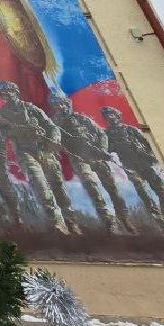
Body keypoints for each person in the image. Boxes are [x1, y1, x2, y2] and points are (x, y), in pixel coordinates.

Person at [0, 81, 81, 235]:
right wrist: (16, 133)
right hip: (25, 152)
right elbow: (2, 136)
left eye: (9, 91)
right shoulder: (3, 115)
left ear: (15, 92)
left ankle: (71, 221)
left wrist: (53, 141)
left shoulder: (31, 109)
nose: (6, 95)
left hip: (44, 149)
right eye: (3, 93)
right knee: (40, 185)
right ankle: (57, 223)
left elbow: (51, 127)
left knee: (57, 186)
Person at [49, 95, 131, 234]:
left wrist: (103, 150)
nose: (61, 107)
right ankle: (109, 221)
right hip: (78, 158)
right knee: (91, 187)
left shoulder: (82, 119)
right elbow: (52, 140)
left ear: (67, 104)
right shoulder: (54, 124)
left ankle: (124, 218)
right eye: (57, 105)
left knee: (112, 189)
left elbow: (101, 134)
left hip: (96, 155)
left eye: (63, 104)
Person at [100, 106, 164, 234]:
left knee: (163, 193)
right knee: (144, 194)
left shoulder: (131, 130)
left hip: (145, 164)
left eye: (112, 114)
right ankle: (162, 224)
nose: (110, 117)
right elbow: (106, 150)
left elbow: (148, 144)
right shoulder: (107, 135)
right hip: (130, 167)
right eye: (107, 116)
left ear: (117, 115)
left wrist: (154, 158)